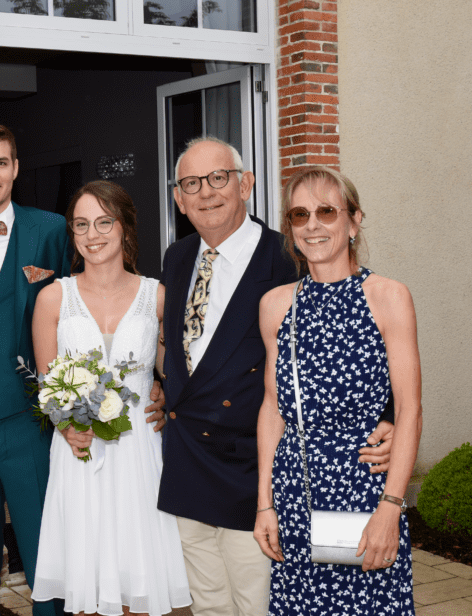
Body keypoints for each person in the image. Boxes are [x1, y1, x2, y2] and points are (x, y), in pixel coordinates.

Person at [0, 121, 164, 616]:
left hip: (33, 423)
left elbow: (85, 307)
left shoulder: (51, 229)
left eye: (0, 163)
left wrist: (152, 380)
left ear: (15, 168)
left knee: (49, 562)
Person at [156, 137, 394, 616]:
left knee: (258, 604)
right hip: (187, 464)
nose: (206, 192)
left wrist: (385, 417)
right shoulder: (176, 258)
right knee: (208, 605)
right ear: (179, 200)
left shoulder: (291, 255)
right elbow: (178, 349)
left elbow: (354, 345)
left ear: (246, 185)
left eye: (218, 178)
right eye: (191, 184)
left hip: (255, 473)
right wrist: (158, 386)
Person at [254, 166, 421, 615]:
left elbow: (409, 409)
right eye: (300, 214)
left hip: (366, 493)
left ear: (354, 221)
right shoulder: (275, 305)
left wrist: (391, 507)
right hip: (296, 492)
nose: (313, 224)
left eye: (326, 211)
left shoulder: (388, 297)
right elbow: (273, 408)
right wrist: (264, 505)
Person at [31, 181, 192, 615]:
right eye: (81, 224)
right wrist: (67, 426)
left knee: (140, 581)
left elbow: (176, 373)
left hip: (139, 447)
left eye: (104, 222)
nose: (93, 234)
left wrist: (163, 394)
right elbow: (46, 383)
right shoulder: (53, 298)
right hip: (79, 449)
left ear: (125, 227)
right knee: (86, 581)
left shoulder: (156, 296)